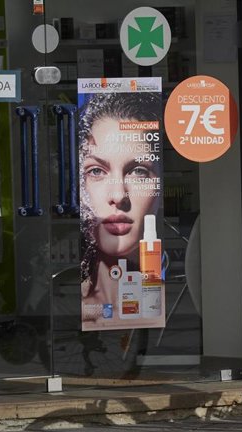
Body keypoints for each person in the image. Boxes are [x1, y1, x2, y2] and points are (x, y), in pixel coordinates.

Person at [79, 92, 162, 320]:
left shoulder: (157, 298)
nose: (118, 195)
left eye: (138, 171)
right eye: (96, 171)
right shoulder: (81, 308)